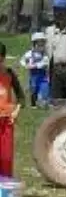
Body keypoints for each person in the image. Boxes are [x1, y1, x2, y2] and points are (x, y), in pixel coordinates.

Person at [45, 0, 66, 101]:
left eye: (61, 10)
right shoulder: (49, 31)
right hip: (55, 71)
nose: (58, 13)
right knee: (56, 103)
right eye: (56, 10)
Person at [0, 45, 24, 178]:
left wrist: (16, 112)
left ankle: (4, 188)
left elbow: (21, 97)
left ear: (2, 58)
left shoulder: (9, 74)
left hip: (6, 120)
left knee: (6, 156)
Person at [20, 34, 50, 107]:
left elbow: (45, 63)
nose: (41, 45)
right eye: (38, 43)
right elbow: (22, 60)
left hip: (43, 75)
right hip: (33, 75)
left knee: (44, 88)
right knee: (33, 89)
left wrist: (36, 65)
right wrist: (26, 65)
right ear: (34, 44)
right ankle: (33, 104)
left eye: (42, 43)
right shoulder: (29, 53)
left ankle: (43, 101)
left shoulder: (44, 54)